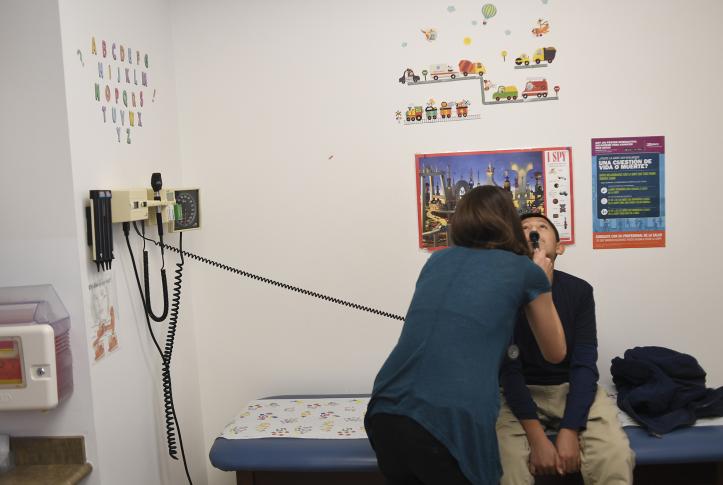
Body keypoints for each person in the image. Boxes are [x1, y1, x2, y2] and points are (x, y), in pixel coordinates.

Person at [365, 186, 567, 485]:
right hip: (447, 421)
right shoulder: (526, 271)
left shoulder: (436, 260)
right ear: (509, 222)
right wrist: (543, 282)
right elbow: (555, 353)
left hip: (384, 408)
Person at [496, 213, 634, 484]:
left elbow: (584, 364)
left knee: (614, 455)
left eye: (542, 227)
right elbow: (508, 371)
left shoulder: (579, 291)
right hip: (519, 394)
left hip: (571, 388)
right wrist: (537, 439)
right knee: (507, 464)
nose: (533, 230)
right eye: (524, 228)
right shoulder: (502, 294)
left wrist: (570, 430)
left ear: (559, 247)